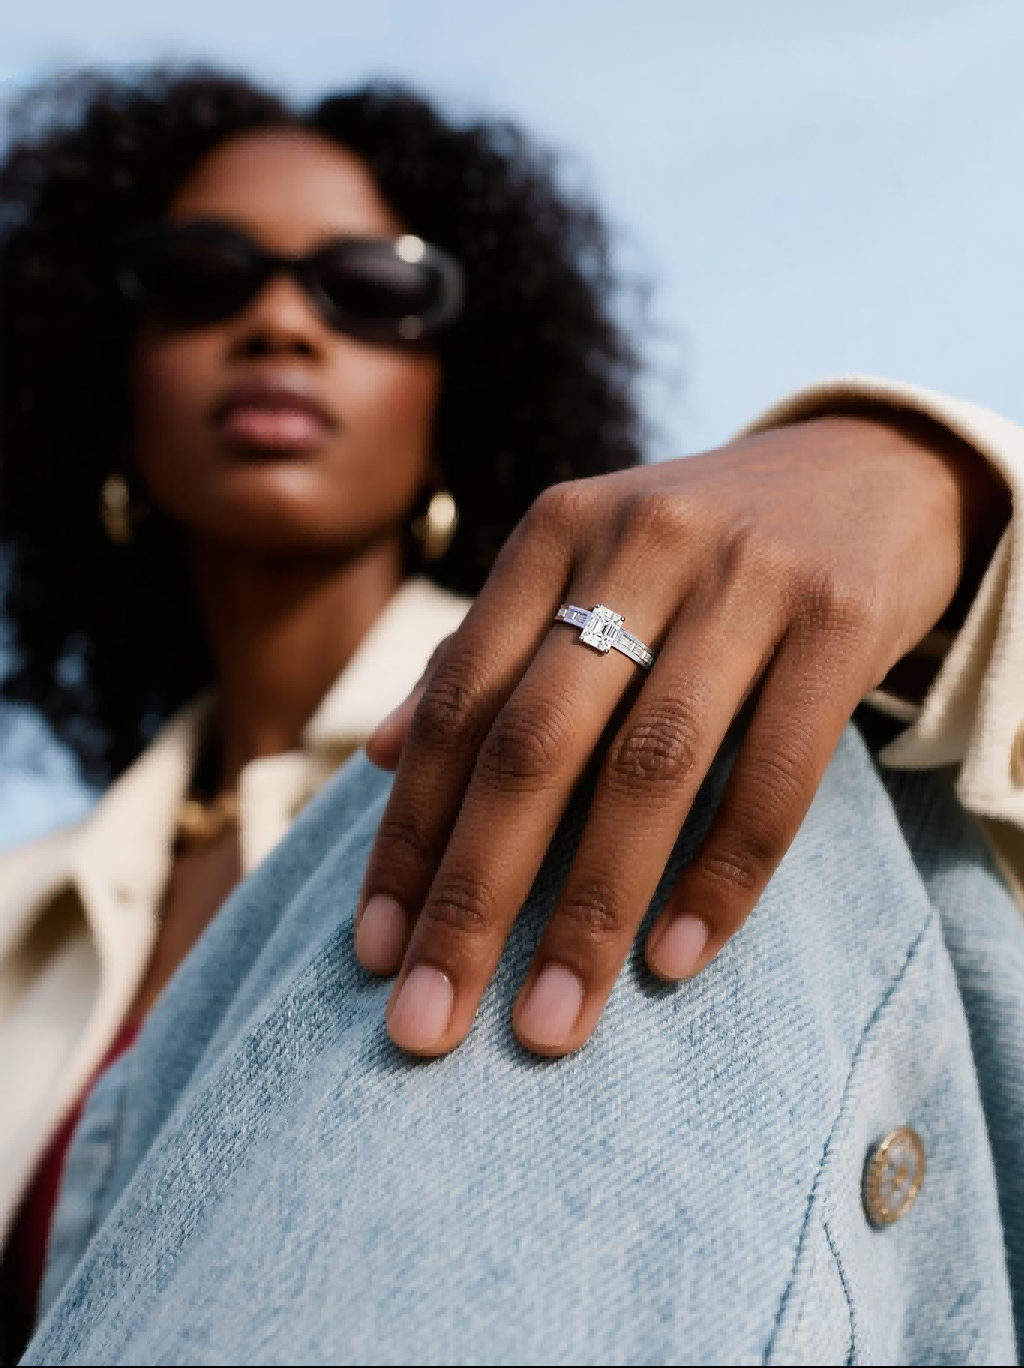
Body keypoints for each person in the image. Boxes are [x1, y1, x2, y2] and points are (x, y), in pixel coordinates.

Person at [1, 64, 1023, 1358]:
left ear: (453, 406)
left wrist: (934, 475)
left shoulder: (651, 676)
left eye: (372, 292)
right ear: (111, 381)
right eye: (201, 278)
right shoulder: (22, 912)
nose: (277, 322)